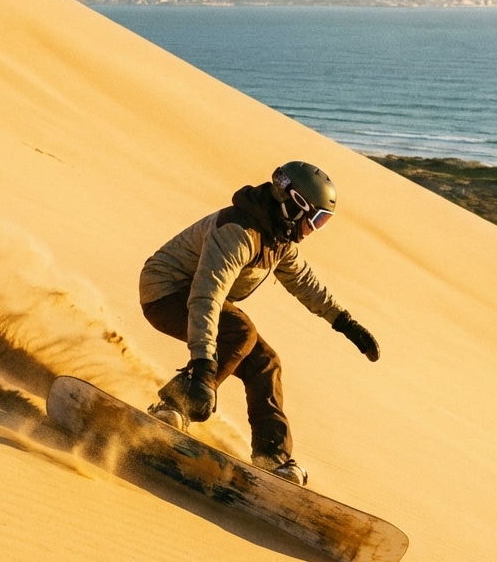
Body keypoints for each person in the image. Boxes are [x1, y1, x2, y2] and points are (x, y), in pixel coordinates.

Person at [139, 161, 380, 486]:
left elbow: (305, 282)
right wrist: (203, 367)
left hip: (198, 297)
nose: (313, 230)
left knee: (265, 363)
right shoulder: (239, 232)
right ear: (295, 206)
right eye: (316, 220)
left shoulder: (278, 238)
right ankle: (175, 407)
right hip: (165, 291)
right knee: (240, 332)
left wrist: (345, 323)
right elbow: (206, 296)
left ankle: (273, 457)